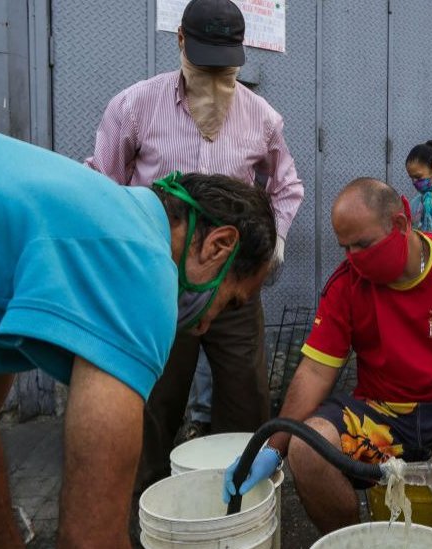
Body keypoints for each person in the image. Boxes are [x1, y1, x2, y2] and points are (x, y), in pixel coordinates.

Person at [0, 117, 277, 547]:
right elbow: (90, 537)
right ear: (217, 245)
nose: (206, 325)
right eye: (229, 301)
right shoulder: (142, 265)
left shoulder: (93, 215)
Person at [223, 178, 432, 546]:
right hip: (379, 416)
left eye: (362, 245)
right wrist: (275, 446)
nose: (353, 257)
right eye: (345, 247)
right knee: (307, 449)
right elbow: (315, 372)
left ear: (399, 224)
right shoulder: (346, 284)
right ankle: (352, 541)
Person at [86, 0, 303, 487]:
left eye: (225, 62)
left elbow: (287, 186)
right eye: (204, 58)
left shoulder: (262, 116)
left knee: (245, 398)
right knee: (156, 398)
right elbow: (104, 181)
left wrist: (272, 247)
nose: (214, 73)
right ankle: (150, 499)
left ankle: (238, 492)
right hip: (161, 284)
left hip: (232, 286)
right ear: (181, 40)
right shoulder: (135, 105)